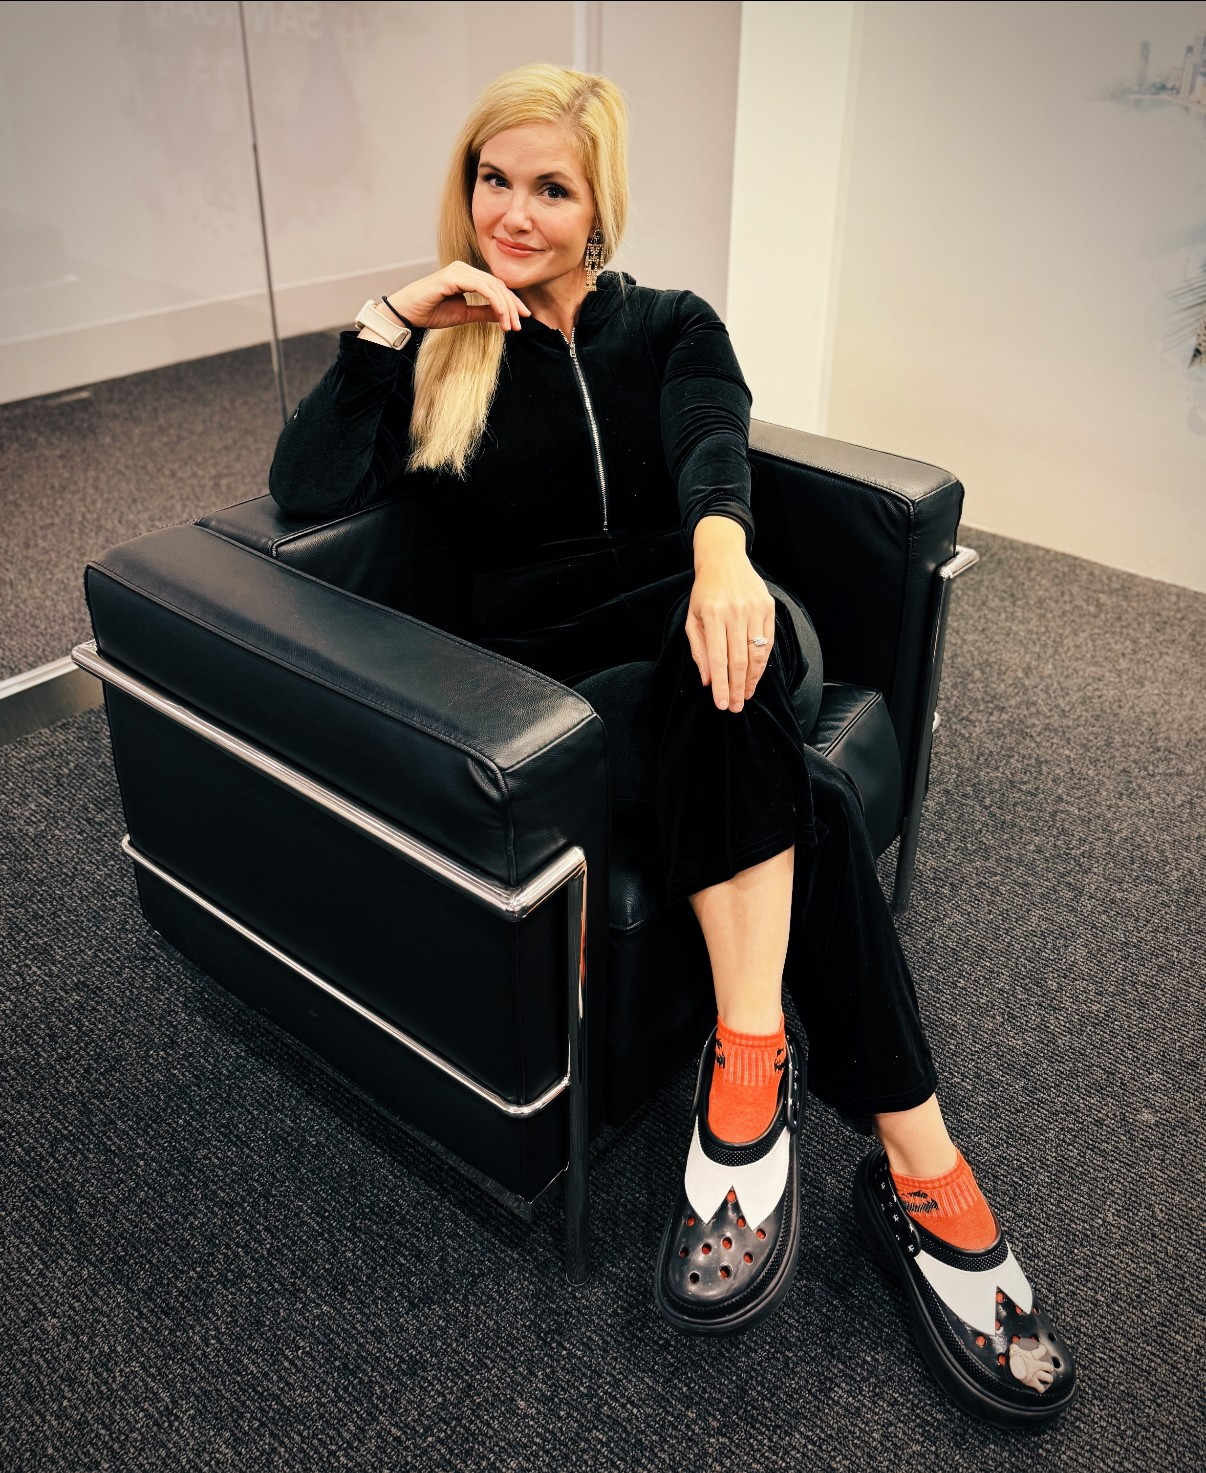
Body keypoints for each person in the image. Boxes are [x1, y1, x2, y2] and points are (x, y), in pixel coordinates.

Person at [269, 64, 1075, 1427]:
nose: (513, 213)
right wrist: (394, 318)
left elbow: (713, 443)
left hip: (727, 617)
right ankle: (921, 1175)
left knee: (724, 667)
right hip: (582, 687)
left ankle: (748, 1071)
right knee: (798, 794)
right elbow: (303, 487)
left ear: (601, 208)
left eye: (550, 188)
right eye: (492, 180)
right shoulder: (444, 352)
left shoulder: (672, 324)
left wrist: (720, 557)